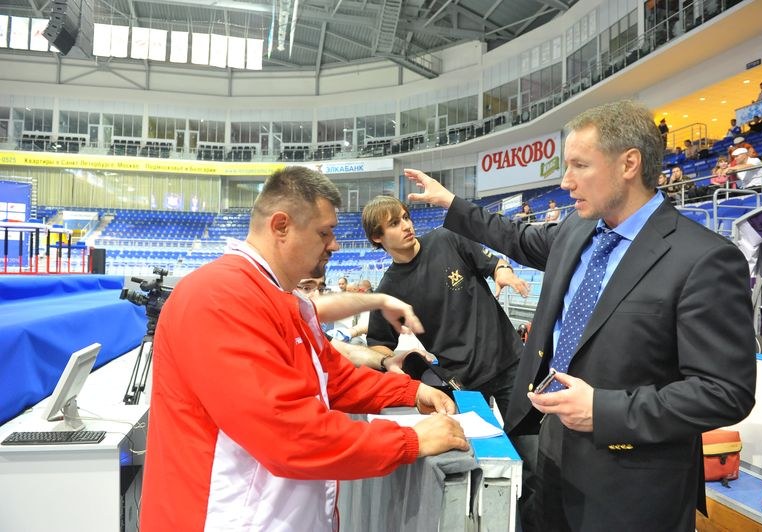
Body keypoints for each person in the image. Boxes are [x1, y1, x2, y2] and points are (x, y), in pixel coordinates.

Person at [404, 99, 756, 531]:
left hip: (633, 487)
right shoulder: (577, 228)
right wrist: (453, 204)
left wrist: (603, 410)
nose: (567, 182)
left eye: (579, 166)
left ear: (629, 163)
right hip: (551, 454)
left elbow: (725, 392)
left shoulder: (704, 258)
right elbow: (513, 235)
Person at [139, 166, 469, 530]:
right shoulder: (219, 298)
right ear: (281, 226)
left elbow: (334, 378)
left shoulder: (278, 297)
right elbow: (287, 434)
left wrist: (411, 390)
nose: (335, 245)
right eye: (324, 232)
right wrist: (410, 440)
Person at [360, 195, 540, 518]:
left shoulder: (446, 239)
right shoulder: (388, 291)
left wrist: (502, 271)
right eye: (394, 223)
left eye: (405, 217)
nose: (407, 226)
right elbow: (378, 345)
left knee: (534, 462)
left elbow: (493, 262)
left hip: (511, 363)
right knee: (486, 473)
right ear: (377, 237)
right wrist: (394, 361)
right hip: (464, 386)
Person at [297, 276, 413, 372]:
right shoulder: (283, 329)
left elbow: (348, 352)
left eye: (321, 290)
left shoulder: (312, 329)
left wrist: (386, 361)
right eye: (306, 288)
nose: (317, 296)